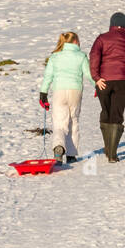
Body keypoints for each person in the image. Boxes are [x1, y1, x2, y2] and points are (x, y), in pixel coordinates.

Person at [89, 12, 125, 164]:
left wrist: (96, 78)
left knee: (106, 111)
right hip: (123, 81)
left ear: (111, 24)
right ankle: (112, 153)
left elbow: (94, 58)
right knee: (117, 114)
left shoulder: (102, 38)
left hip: (104, 81)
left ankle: (107, 147)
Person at [39, 30, 93, 164]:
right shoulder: (81, 56)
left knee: (59, 123)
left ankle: (58, 148)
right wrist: (97, 86)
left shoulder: (55, 57)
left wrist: (43, 94)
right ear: (75, 42)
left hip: (59, 91)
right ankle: (71, 154)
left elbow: (48, 76)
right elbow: (89, 74)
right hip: (75, 92)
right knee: (73, 121)